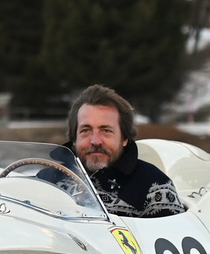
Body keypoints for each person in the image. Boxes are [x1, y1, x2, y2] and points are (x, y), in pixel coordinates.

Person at [65, 84, 183, 218]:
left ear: (125, 138)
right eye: (85, 130)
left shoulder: (154, 186)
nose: (96, 141)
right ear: (74, 138)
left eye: (106, 131)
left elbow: (171, 236)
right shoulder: (49, 177)